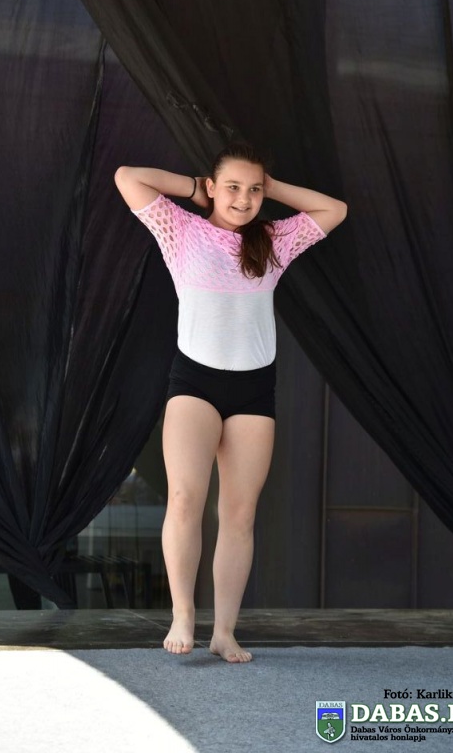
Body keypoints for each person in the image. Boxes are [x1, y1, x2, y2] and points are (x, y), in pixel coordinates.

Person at [114, 142, 347, 663]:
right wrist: (196, 190)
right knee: (184, 500)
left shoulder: (273, 241)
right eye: (234, 187)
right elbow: (128, 176)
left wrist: (273, 187)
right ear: (213, 187)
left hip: (253, 390)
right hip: (193, 384)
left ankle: (223, 631)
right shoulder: (181, 231)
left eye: (255, 190)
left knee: (239, 514)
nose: (244, 199)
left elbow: (335, 210)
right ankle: (182, 615)